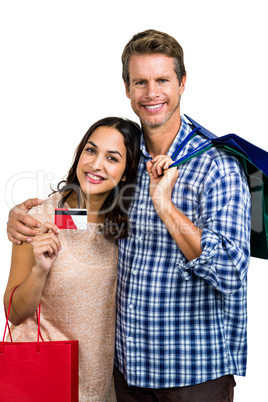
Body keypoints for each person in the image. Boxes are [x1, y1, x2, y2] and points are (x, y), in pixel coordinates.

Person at [6, 30, 251, 401]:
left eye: (162, 80)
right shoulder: (124, 161)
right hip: (125, 376)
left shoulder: (218, 167)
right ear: (128, 89)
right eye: (141, 82)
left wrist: (165, 206)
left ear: (182, 83)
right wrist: (21, 219)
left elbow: (232, 272)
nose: (152, 92)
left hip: (193, 376)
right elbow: (74, 216)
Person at [4, 116, 140, 401]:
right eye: (91, 150)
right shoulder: (39, 220)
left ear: (126, 173)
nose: (95, 164)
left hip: (99, 386)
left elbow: (88, 224)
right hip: (44, 383)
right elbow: (14, 314)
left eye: (112, 158)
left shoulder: (123, 228)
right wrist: (40, 270)